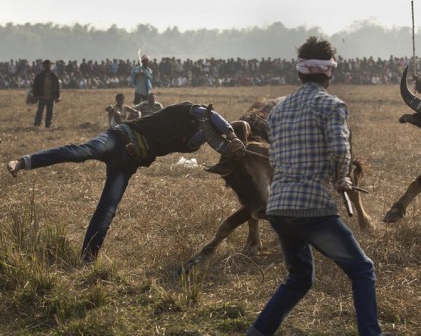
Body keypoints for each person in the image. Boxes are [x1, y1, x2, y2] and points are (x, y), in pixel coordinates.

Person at [236, 36, 408, 336]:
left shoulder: (279, 110)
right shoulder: (332, 106)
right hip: (311, 206)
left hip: (280, 206)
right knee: (362, 269)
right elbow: (340, 150)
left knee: (299, 278)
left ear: (300, 73)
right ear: (329, 74)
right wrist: (342, 177)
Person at [6, 102, 245, 263]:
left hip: (128, 163)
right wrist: (232, 135)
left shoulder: (191, 142)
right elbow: (208, 115)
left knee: (107, 209)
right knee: (80, 152)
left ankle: (87, 259)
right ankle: (24, 162)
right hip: (118, 138)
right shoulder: (186, 109)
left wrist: (225, 141)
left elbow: (205, 132)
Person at [32, 59, 61, 128]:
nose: (48, 67)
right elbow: (35, 86)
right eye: (46, 65)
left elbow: (57, 86)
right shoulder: (39, 76)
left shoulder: (54, 76)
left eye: (49, 65)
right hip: (42, 96)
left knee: (50, 112)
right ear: (44, 66)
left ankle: (48, 124)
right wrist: (35, 95)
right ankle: (37, 124)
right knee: (40, 111)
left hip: (51, 96)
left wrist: (57, 96)